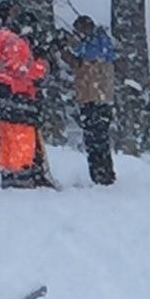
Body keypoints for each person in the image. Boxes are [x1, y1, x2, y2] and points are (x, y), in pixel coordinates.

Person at [0, 0, 49, 188]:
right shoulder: (13, 41)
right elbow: (25, 71)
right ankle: (22, 178)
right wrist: (41, 61)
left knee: (5, 140)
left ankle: (9, 177)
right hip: (16, 97)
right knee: (21, 139)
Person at [62, 14, 118, 186]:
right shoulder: (100, 43)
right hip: (97, 99)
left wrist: (71, 49)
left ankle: (101, 174)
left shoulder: (94, 46)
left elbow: (87, 59)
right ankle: (103, 173)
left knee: (95, 139)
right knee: (98, 138)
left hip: (94, 99)